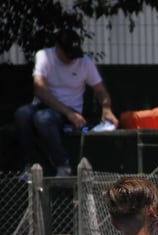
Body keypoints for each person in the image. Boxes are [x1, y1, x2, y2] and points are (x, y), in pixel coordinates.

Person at [14, 28, 118, 180]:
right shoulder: (44, 56)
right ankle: (30, 166)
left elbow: (100, 90)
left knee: (43, 118)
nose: (71, 58)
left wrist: (106, 108)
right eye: (67, 53)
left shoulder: (85, 63)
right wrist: (68, 113)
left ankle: (63, 165)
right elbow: (40, 89)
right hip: (52, 108)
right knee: (22, 114)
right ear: (58, 48)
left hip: (69, 111)